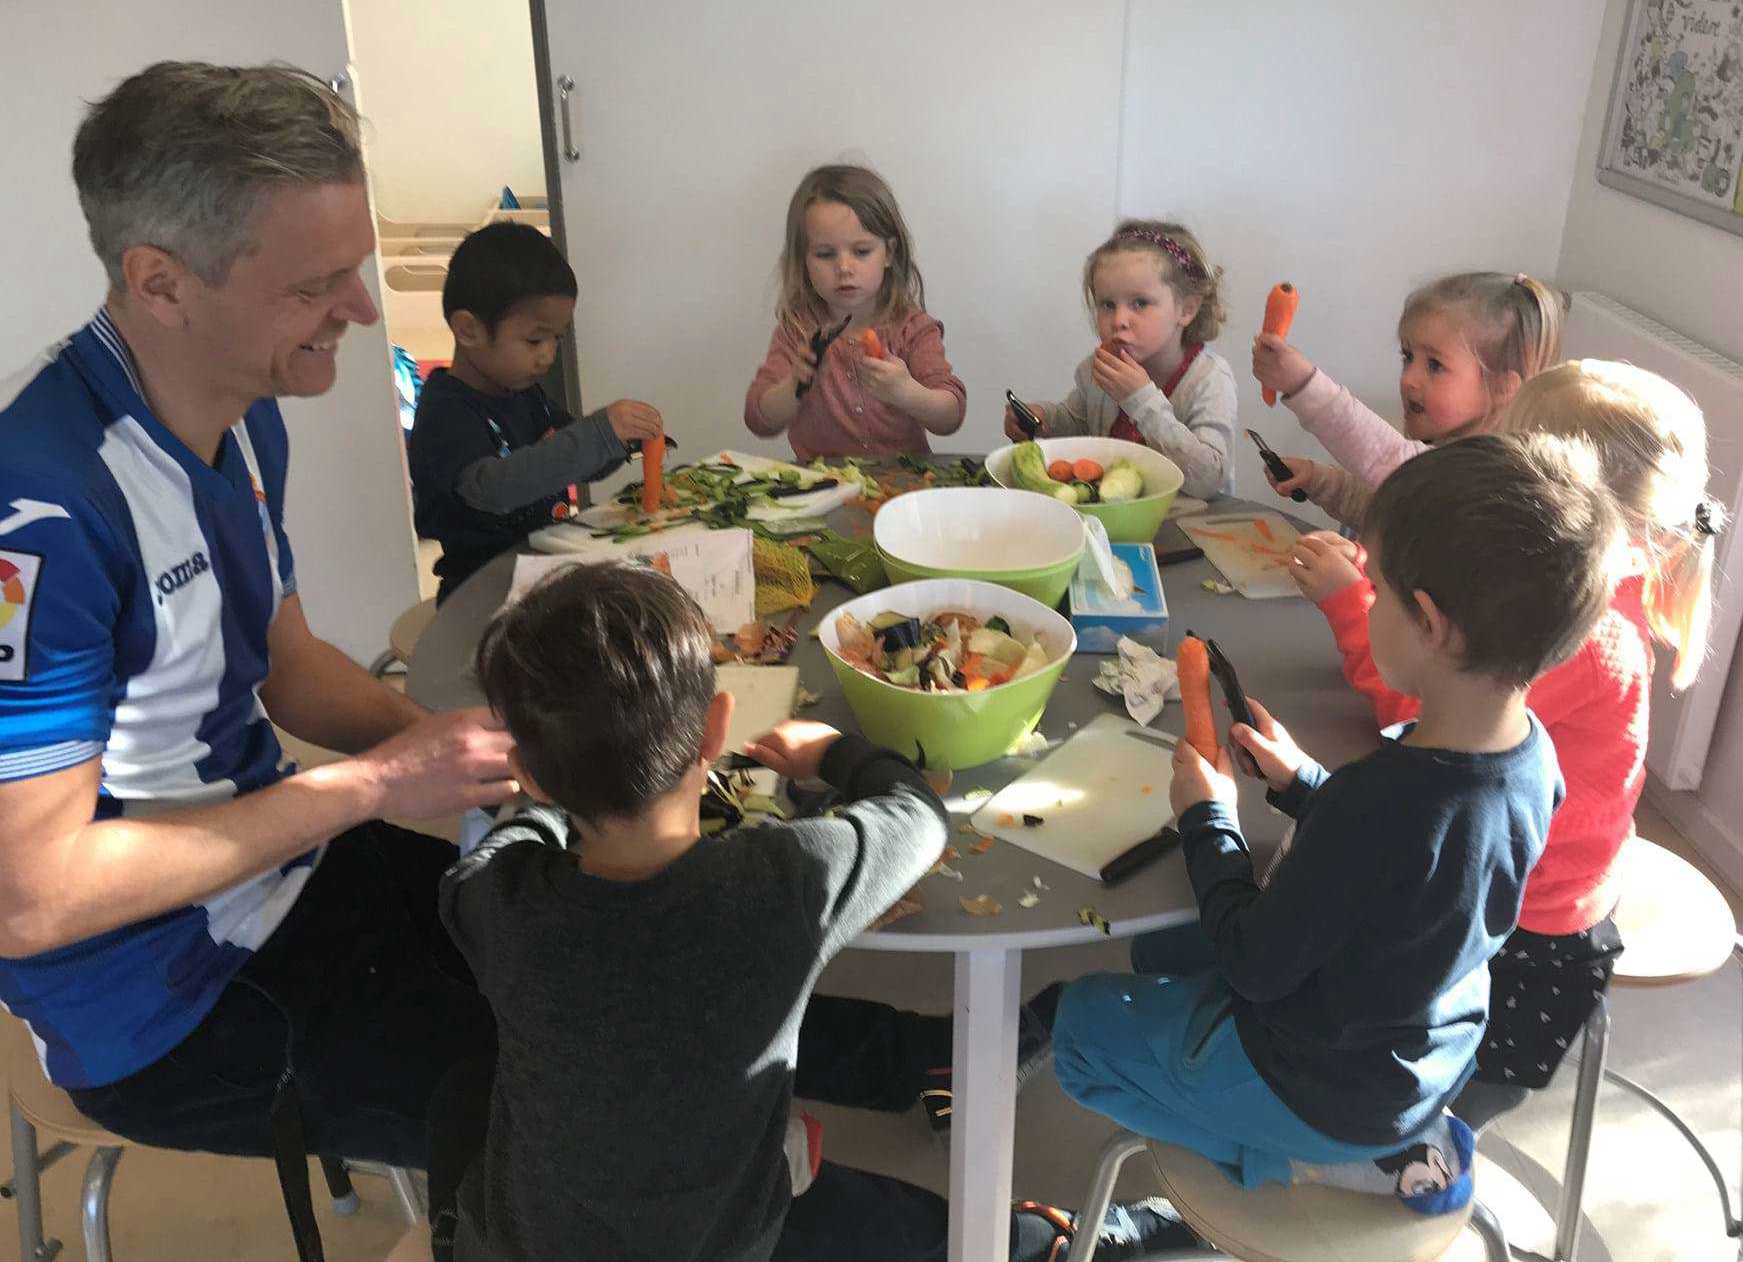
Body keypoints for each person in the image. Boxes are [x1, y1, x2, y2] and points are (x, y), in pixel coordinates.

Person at [0, 61, 521, 1256]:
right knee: (546, 1114)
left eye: (355, 268)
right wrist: (377, 785)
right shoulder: (41, 509)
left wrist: (466, 755)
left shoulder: (244, 408)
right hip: (153, 1003)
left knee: (581, 949)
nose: (363, 311)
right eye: (316, 285)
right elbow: (30, 899)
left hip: (283, 868)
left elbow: (285, 663)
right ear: (161, 284)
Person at [439, 563, 1189, 1261]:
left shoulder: (490, 902)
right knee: (901, 1224)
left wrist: (553, 800)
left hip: (525, 1243)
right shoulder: (780, 882)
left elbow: (503, 845)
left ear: (529, 774)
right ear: (716, 729)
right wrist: (834, 752)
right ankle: (1037, 1240)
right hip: (721, 1239)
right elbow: (919, 816)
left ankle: (923, 1076)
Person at [1047, 434, 1622, 1211]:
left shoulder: (1380, 801)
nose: (1366, 601)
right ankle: (1366, 1139)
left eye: (1374, 589)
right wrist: (1303, 784)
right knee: (1160, 948)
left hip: (1321, 1087)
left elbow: (1254, 962)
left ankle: (1311, 1163)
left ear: (1428, 623)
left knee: (1079, 1029)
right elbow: (1422, 871)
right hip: (1424, 1057)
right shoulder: (1534, 756)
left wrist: (1208, 820)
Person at [1287, 360, 1720, 1127]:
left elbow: (1421, 717)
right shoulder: (1577, 596)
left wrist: (1355, 607)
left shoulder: (1579, 639)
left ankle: (1393, 1168)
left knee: (1407, 1101)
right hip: (1544, 878)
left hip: (1525, 931)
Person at [407, 222, 666, 601]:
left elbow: (575, 459)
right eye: (534, 340)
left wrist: (620, 442)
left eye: (555, 338)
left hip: (542, 572)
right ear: (468, 330)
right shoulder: (446, 411)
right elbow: (496, 489)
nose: (548, 355)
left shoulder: (524, 392)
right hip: (481, 591)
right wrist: (598, 434)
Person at [1249, 271, 1568, 526]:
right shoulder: (1446, 458)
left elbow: (1395, 464)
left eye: (1435, 365)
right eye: (1407, 356)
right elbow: (1395, 513)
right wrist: (1324, 482)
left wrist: (1304, 384)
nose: (1409, 379)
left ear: (1501, 388)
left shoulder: (1488, 475)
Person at [743, 164, 966, 460]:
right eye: (825, 254)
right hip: (822, 482)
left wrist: (908, 393)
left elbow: (951, 416)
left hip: (904, 481)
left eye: (861, 252)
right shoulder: (798, 332)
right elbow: (758, 418)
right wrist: (795, 385)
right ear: (804, 261)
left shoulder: (912, 328)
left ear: (889, 253)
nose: (844, 267)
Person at [1002, 220, 1236, 499]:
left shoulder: (1209, 379)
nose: (1119, 320)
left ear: (1186, 308)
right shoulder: (1100, 368)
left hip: (1194, 521)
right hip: (1115, 518)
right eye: (1108, 305)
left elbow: (1209, 478)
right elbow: (1078, 421)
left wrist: (1141, 399)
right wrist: (1041, 418)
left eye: (1140, 303)